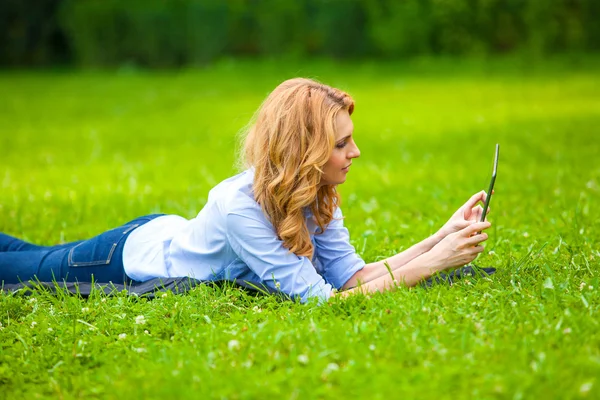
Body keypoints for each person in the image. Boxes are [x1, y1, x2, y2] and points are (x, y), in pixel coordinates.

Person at [0, 78, 492, 303]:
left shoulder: (317, 195)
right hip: (120, 258)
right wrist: (436, 262)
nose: (356, 152)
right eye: (341, 143)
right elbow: (322, 302)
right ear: (307, 151)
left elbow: (350, 279)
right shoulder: (240, 207)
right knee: (25, 268)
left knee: (27, 254)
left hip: (164, 230)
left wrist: (439, 238)